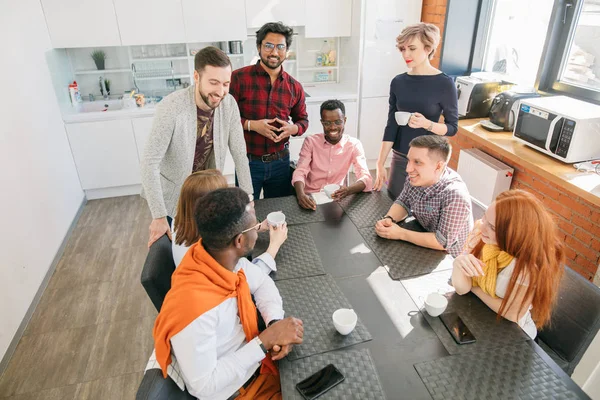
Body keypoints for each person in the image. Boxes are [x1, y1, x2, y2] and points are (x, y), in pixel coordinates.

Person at [153, 187, 304, 399]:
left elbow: (262, 284)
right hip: (240, 391)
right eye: (253, 224)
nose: (257, 226)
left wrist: (273, 323)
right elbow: (204, 386)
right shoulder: (194, 309)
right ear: (239, 241)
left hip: (258, 366)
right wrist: (264, 342)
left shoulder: (222, 260)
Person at [141, 46, 253, 248]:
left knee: (208, 249)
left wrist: (249, 198)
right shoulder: (171, 107)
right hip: (175, 197)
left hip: (207, 193)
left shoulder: (229, 104)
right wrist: (158, 216)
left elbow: (239, 153)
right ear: (196, 76)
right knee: (182, 251)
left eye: (226, 84)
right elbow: (149, 164)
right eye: (214, 82)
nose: (220, 91)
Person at [451, 190, 565, 339]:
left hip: (514, 335)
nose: (483, 226)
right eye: (485, 217)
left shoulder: (527, 266)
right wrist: (458, 263)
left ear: (516, 232)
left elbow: (512, 313)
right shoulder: (483, 236)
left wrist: (474, 286)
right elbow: (461, 289)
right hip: (479, 316)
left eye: (493, 227)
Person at [373, 22, 459, 199]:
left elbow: (452, 128)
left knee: (421, 210)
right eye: (403, 49)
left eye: (412, 48)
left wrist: (428, 124)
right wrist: (380, 162)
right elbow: (392, 125)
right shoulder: (398, 82)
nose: (406, 54)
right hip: (401, 155)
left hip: (427, 160)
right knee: (394, 200)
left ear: (428, 48)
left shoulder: (444, 83)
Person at [230, 22, 309, 200]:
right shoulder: (238, 78)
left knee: (279, 212)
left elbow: (303, 121)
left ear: (286, 50)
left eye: (280, 47)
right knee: (245, 213)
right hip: (248, 162)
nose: (274, 52)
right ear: (259, 47)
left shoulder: (294, 86)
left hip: (281, 163)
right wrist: (252, 125)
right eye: (268, 46)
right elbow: (225, 119)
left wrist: (292, 129)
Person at [171, 169, 288, 275]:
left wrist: (257, 227)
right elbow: (248, 278)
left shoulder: (180, 222)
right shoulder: (213, 251)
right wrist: (274, 246)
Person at [375, 135, 472, 257]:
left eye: (417, 162)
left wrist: (400, 233)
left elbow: (441, 242)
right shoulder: (416, 177)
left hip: (448, 259)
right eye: (409, 160)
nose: (408, 169)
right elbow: (403, 202)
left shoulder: (455, 196)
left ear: (438, 166)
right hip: (421, 240)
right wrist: (389, 218)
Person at [292, 99, 372, 210]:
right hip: (311, 197)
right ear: (322, 122)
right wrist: (301, 195)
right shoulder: (310, 142)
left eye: (338, 122)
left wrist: (348, 190)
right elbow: (300, 171)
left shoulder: (354, 145)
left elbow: (366, 178)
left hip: (338, 198)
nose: (333, 127)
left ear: (344, 120)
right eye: (327, 123)